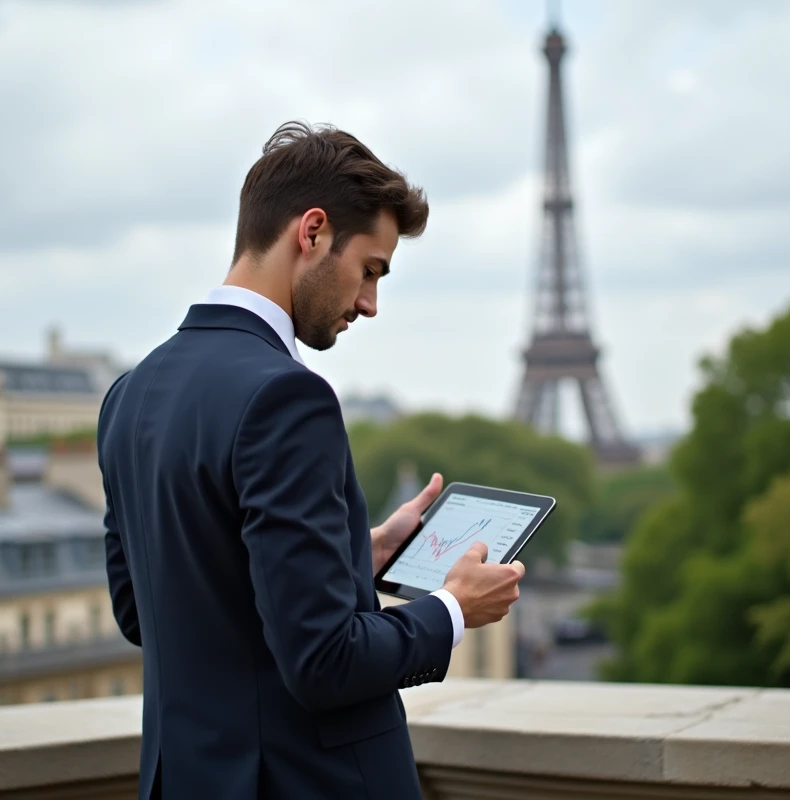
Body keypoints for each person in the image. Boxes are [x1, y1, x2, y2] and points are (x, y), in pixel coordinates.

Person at [98, 120, 526, 800]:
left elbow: (144, 609)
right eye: (371, 270)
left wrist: (353, 552)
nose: (370, 303)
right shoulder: (286, 396)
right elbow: (324, 662)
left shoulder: (130, 394)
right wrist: (451, 607)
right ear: (314, 231)